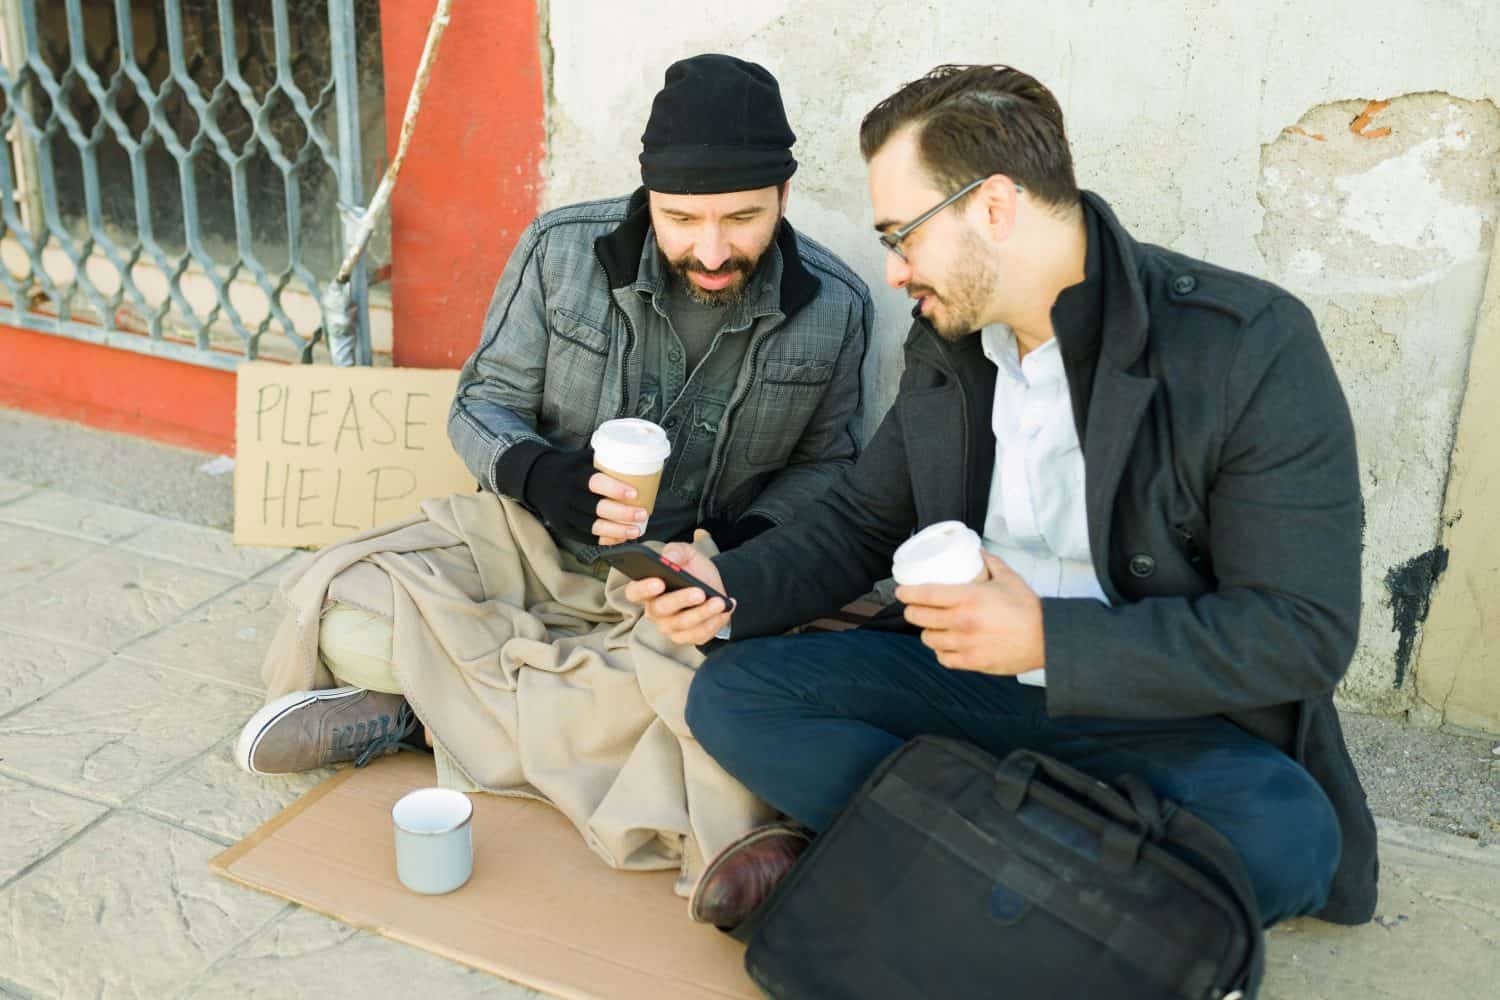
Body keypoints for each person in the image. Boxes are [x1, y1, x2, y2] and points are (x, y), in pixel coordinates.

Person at [631, 64, 1377, 933]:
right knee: (733, 696)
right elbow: (862, 520)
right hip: (966, 690)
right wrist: (733, 589)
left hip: (1154, 716)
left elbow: (1301, 633)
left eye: (902, 236)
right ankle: (1061, 879)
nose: (894, 269)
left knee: (1287, 837)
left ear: (992, 207)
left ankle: (912, 850)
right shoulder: (949, 338)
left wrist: (1051, 640)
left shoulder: (1247, 347)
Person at [235, 54, 872, 782]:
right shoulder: (558, 251)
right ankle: (543, 719)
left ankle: (424, 713)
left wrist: (738, 551)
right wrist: (540, 476)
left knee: (733, 691)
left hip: (675, 592)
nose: (713, 249)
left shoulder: (837, 307)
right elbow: (481, 402)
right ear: (649, 195)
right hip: (525, 549)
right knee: (348, 615)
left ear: (784, 196)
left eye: (743, 217)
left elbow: (829, 466)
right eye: (683, 218)